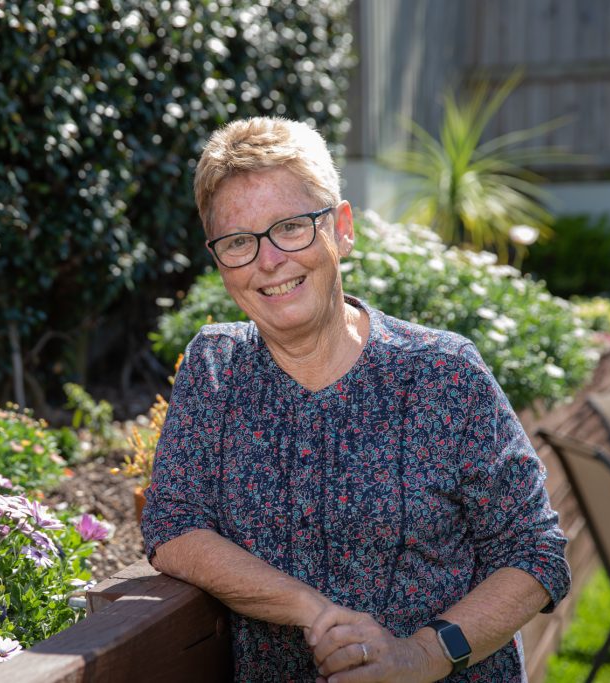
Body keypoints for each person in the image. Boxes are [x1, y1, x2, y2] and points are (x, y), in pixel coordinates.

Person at [140, 116, 570, 682]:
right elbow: (172, 525)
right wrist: (314, 612)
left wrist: (419, 656)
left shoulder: (442, 372)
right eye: (239, 241)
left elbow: (534, 552)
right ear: (219, 260)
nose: (269, 261)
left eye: (291, 227)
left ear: (341, 229)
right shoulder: (216, 368)